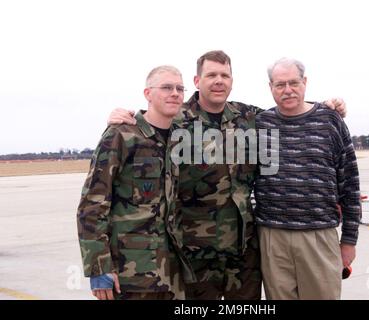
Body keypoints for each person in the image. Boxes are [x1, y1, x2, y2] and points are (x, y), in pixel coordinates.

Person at [107, 50, 347, 300]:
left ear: (232, 81)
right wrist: (123, 117)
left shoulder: (249, 117)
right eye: (211, 75)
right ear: (197, 81)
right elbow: (148, 123)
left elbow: (289, 109)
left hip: (243, 254)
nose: (219, 80)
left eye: (225, 75)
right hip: (194, 254)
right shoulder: (176, 120)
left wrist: (326, 107)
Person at [77, 65, 194, 300]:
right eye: (167, 87)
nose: (175, 93)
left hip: (173, 273)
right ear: (148, 94)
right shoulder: (121, 135)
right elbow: (92, 205)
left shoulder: (181, 137)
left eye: (180, 88)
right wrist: (99, 268)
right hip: (131, 274)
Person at [254, 57, 361, 300]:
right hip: (272, 236)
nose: (287, 90)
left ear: (305, 82)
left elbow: (350, 183)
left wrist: (349, 240)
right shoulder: (260, 124)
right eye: (280, 85)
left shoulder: (330, 120)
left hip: (319, 236)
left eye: (294, 82)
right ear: (270, 87)